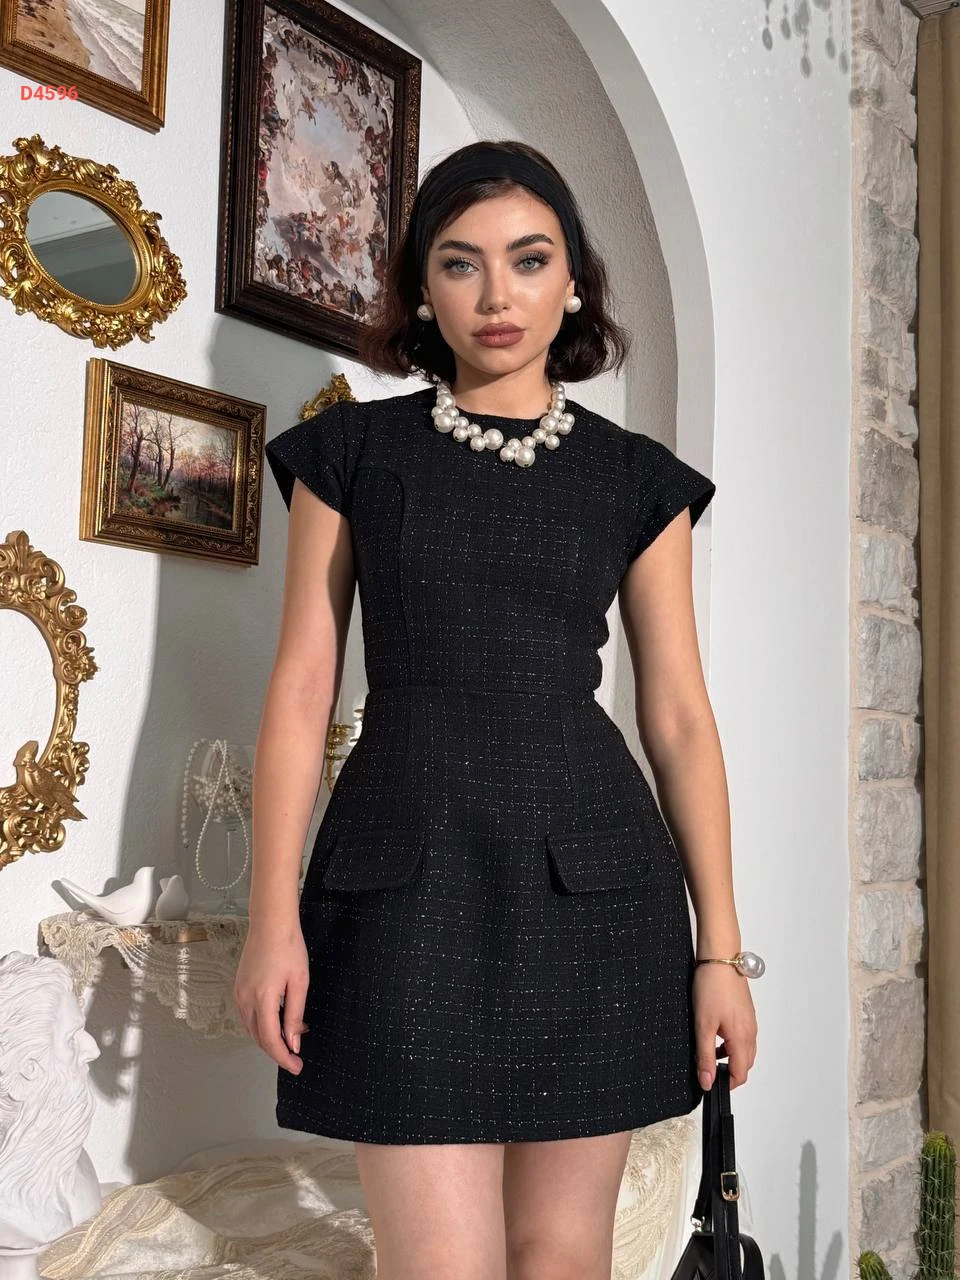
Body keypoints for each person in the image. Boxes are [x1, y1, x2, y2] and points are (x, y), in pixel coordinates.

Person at [235, 138, 760, 1280]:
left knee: (563, 1257)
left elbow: (678, 714)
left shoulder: (636, 477)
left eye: (529, 260)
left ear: (574, 283)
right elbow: (302, 689)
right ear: (424, 289)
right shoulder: (351, 453)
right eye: (460, 263)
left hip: (595, 890)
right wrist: (271, 915)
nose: (497, 294)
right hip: (404, 886)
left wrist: (721, 950)